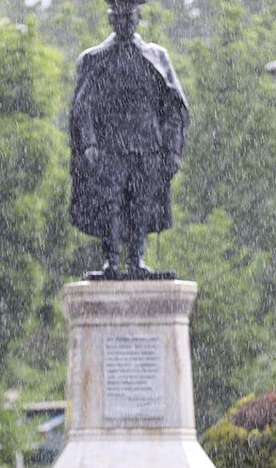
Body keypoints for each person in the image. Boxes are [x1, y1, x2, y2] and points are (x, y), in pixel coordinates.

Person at [69, 0, 190, 279]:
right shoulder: (94, 59)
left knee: (141, 203)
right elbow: (83, 108)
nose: (124, 22)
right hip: (109, 146)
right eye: (119, 17)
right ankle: (111, 261)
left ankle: (137, 260)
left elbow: (174, 108)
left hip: (147, 145)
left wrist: (173, 150)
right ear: (111, 19)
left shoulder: (156, 57)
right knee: (110, 202)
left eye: (129, 16)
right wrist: (89, 143)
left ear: (138, 18)